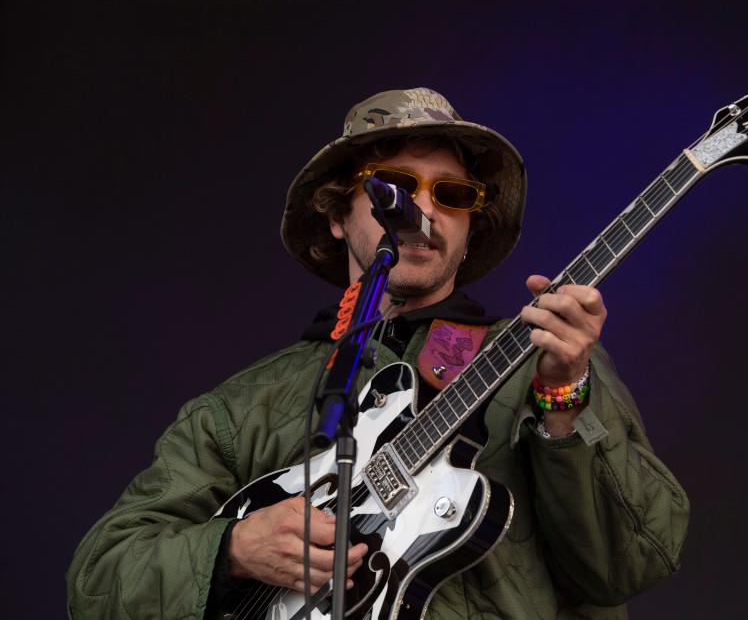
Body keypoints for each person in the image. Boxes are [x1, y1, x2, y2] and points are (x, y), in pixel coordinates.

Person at [66, 87, 690, 619]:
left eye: (452, 194)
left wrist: (563, 401)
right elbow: (97, 581)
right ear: (338, 215)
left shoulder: (545, 356)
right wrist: (233, 548)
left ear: (472, 226)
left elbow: (632, 560)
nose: (423, 210)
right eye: (394, 187)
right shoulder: (241, 408)